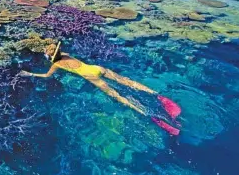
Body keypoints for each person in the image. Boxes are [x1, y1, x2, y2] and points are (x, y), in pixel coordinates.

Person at [19, 42, 182, 135]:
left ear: (51, 57)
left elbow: (47, 76)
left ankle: (146, 113)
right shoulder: (66, 54)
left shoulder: (56, 64)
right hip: (97, 68)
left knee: (118, 96)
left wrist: (30, 74)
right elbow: (58, 52)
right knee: (127, 81)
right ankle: (158, 96)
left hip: (92, 77)